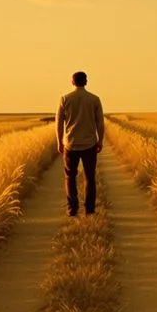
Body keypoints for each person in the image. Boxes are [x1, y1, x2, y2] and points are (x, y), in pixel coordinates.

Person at [55, 70, 105, 216]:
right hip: (89, 144)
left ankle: (72, 209)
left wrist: (59, 141)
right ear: (86, 82)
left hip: (70, 144)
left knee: (70, 177)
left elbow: (58, 123)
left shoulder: (64, 99)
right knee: (90, 177)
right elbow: (100, 123)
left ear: (72, 82)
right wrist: (100, 140)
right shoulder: (94, 99)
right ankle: (89, 210)